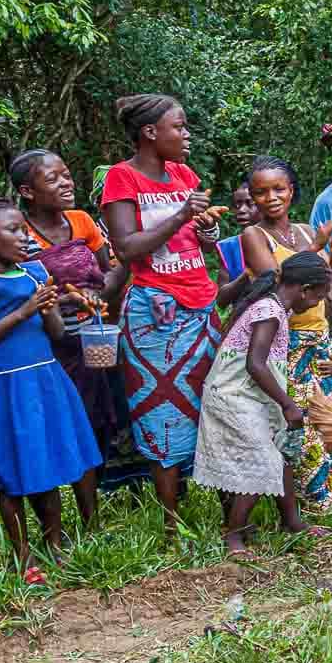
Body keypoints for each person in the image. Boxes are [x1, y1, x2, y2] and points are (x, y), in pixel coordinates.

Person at [101, 93, 225, 537]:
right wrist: (179, 216)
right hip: (155, 314)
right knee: (160, 410)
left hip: (201, 304)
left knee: (214, 400)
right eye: (180, 126)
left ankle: (226, 510)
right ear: (151, 133)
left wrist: (207, 230)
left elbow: (197, 238)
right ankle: (172, 525)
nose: (186, 134)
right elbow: (127, 248)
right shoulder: (122, 178)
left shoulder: (184, 174)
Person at [0, 199, 102, 584]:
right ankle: (22, 554)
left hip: (45, 379)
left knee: (46, 465)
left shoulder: (35, 273)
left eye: (24, 229)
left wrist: (50, 309)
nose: (23, 237)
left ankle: (54, 546)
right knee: (12, 472)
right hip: (5, 386)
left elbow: (56, 334)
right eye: (13, 230)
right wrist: (25, 312)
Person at [241, 155, 332, 513]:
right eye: (261, 192)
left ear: (292, 191)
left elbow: (327, 283)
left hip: (320, 340)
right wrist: (316, 249)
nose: (271, 197)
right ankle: (310, 505)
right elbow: (278, 282)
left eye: (279, 189)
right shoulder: (254, 235)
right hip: (286, 343)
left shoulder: (306, 231)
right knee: (301, 425)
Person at [193, 252, 332, 557]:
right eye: (318, 297)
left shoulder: (275, 308)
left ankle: (292, 521)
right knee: (265, 462)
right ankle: (234, 537)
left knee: (281, 455)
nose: (316, 304)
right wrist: (287, 405)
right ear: (304, 290)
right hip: (233, 396)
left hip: (247, 395)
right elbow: (255, 365)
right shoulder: (269, 311)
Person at [10, 149, 134, 497]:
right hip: (51, 341)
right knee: (67, 417)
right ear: (27, 192)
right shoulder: (18, 234)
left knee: (104, 413)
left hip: (96, 334)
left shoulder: (80, 220)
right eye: (52, 178)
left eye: (66, 174)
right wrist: (65, 298)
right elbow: (16, 290)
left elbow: (108, 273)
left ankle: (103, 491)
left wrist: (112, 279)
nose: (66, 183)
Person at [215, 181, 258, 310]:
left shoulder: (281, 240)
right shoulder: (229, 248)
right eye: (237, 205)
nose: (241, 210)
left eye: (250, 204)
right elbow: (221, 301)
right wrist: (246, 276)